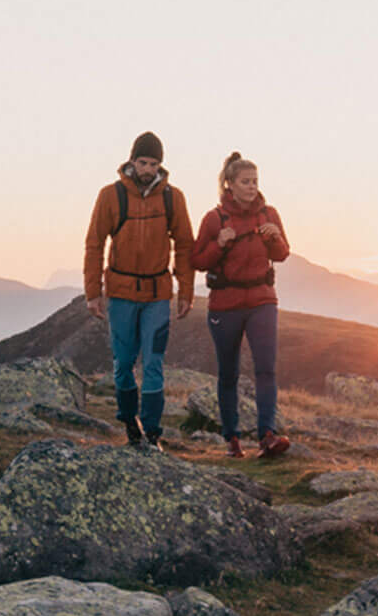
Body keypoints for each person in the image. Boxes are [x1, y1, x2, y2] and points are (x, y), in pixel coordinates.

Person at [83, 131, 194, 451]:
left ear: (161, 165)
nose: (148, 169)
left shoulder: (174, 198)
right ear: (132, 161)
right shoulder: (110, 196)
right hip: (120, 294)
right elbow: (94, 244)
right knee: (123, 362)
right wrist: (93, 292)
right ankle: (130, 421)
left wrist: (185, 291)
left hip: (158, 295)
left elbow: (185, 245)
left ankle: (153, 433)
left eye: (154, 163)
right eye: (143, 162)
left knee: (154, 363)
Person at [191, 150, 291, 459]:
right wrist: (219, 243)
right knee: (228, 373)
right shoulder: (214, 218)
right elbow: (196, 260)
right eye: (245, 182)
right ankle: (232, 440)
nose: (252, 187)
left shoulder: (269, 214)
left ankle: (267, 435)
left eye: (255, 181)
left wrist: (275, 239)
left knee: (266, 369)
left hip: (262, 300)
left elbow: (282, 253)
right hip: (225, 305)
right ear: (229, 185)